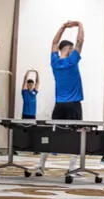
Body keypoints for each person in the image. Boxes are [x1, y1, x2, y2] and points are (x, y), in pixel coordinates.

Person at [36, 21, 84, 177]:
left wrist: (63, 27)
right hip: (73, 105)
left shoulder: (55, 62)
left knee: (52, 135)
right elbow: (80, 41)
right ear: (69, 50)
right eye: (71, 48)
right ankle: (71, 169)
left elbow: (54, 42)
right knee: (77, 136)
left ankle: (40, 166)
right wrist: (79, 24)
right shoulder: (72, 60)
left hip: (60, 105)